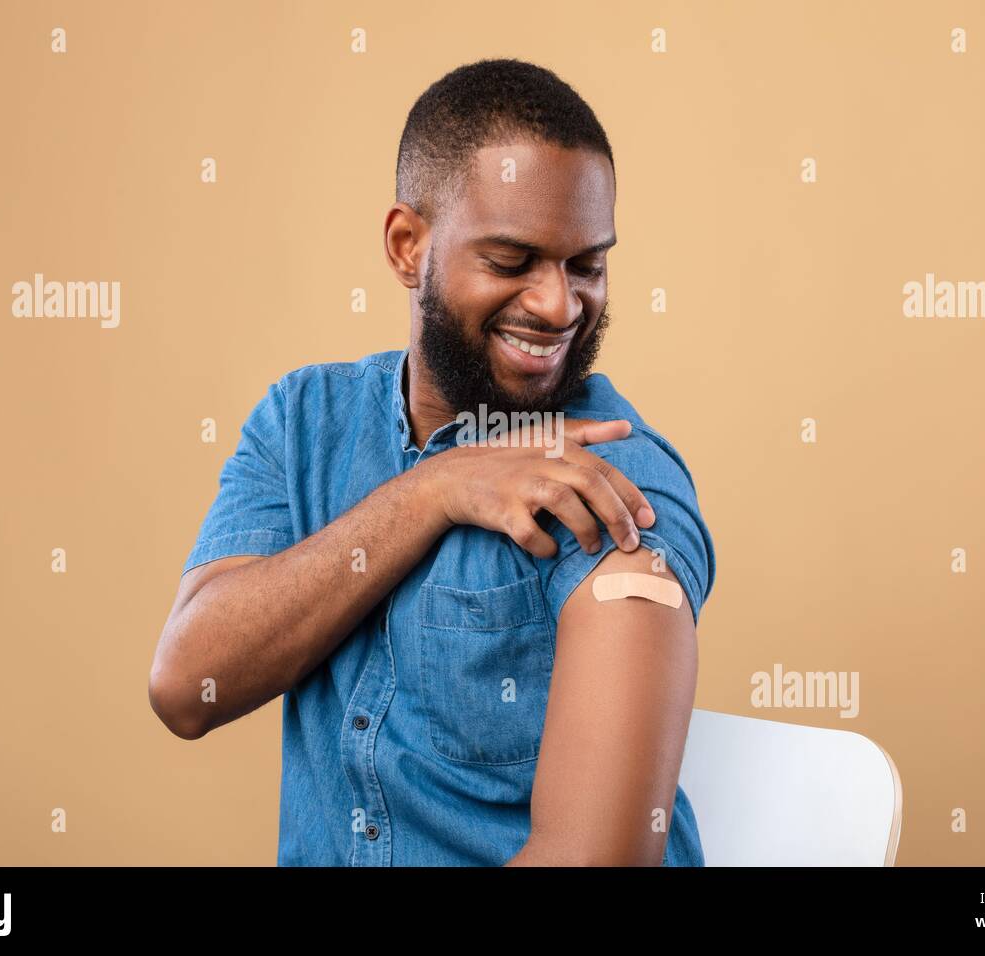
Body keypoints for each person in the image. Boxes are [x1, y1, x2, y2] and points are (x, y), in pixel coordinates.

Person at [149, 57, 715, 866]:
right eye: (513, 261)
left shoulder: (615, 479)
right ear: (408, 246)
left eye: (586, 263)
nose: (559, 306)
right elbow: (186, 685)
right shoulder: (306, 421)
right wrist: (432, 491)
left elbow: (593, 862)